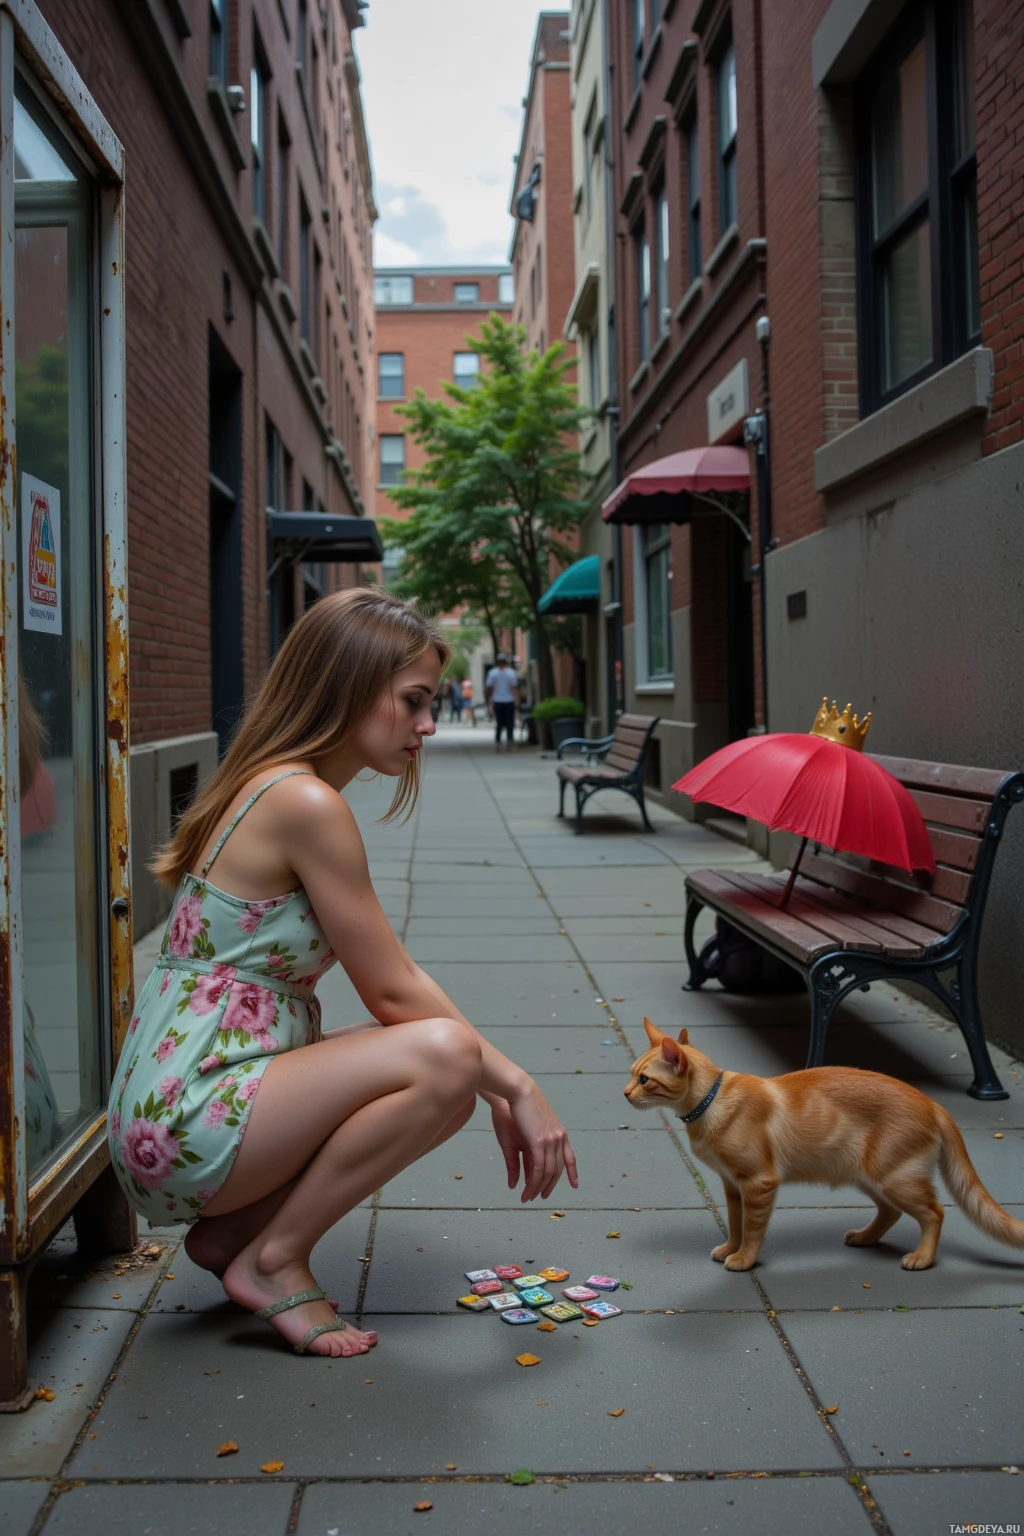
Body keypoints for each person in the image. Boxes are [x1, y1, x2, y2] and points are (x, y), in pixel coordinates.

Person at [107, 590, 577, 1360]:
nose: (429, 725)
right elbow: (391, 988)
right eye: (414, 702)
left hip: (171, 1104)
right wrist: (518, 1085)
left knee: (447, 1083)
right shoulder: (305, 801)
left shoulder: (266, 779)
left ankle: (234, 1234)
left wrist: (493, 1084)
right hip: (188, 1116)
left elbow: (399, 988)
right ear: (349, 686)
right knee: (447, 1060)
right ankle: (273, 1259)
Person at [485, 652, 519, 751]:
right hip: (509, 700)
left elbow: (489, 687)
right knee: (510, 722)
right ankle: (510, 741)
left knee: (499, 723)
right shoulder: (511, 673)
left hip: (498, 700)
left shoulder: (492, 672)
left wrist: (489, 699)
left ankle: (498, 742)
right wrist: (516, 700)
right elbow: (514, 688)